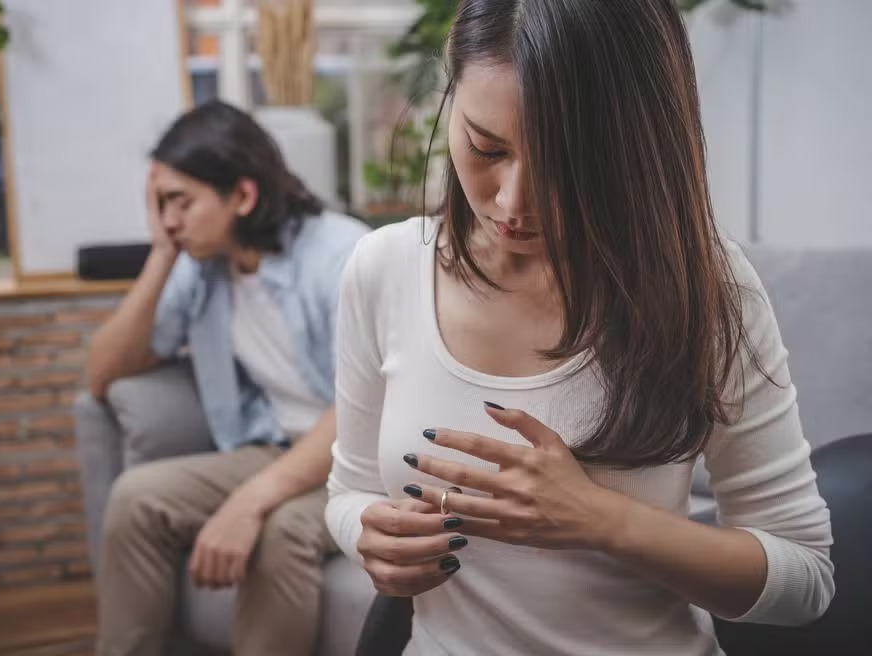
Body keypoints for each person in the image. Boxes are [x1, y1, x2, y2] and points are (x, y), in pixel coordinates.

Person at [325, 1, 835, 654]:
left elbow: (805, 578)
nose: (512, 203)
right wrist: (371, 532)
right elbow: (349, 493)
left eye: (567, 167)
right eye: (486, 147)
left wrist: (601, 521)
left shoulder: (704, 285)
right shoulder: (383, 270)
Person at [82, 99, 368, 656]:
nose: (168, 219)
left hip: (363, 460)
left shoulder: (342, 257)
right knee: (135, 499)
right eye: (160, 204)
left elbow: (360, 407)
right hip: (280, 446)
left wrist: (251, 501)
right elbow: (102, 374)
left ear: (243, 195)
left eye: (180, 202)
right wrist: (162, 254)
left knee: (281, 530)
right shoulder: (203, 264)